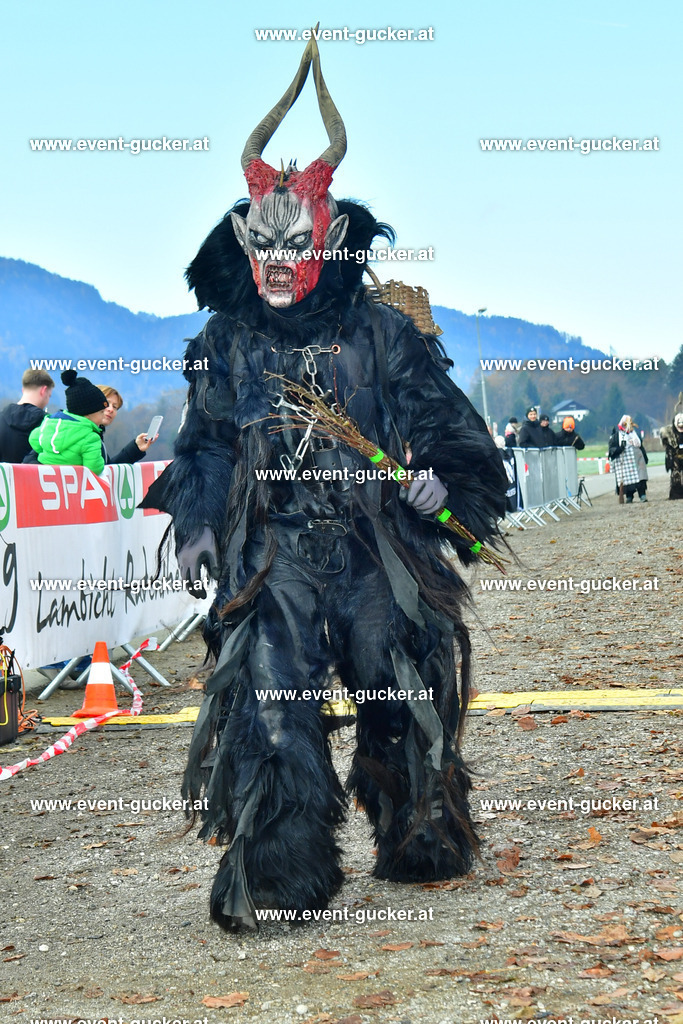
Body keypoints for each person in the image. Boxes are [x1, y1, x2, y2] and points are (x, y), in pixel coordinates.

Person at [142, 37, 507, 931]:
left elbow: (455, 439)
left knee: (400, 689)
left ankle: (419, 830)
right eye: (256, 242)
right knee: (270, 706)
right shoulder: (227, 342)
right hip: (276, 560)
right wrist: (196, 525)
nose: (271, 260)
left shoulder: (386, 334)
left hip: (377, 548)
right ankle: (281, 868)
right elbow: (208, 447)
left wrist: (438, 491)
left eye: (291, 242)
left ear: (328, 238)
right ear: (241, 240)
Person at [28, 370, 108, 474]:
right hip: (72, 485)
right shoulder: (90, 438)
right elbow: (94, 469)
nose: (103, 417)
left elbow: (33, 438)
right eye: (101, 412)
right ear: (88, 413)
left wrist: (49, 453)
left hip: (45, 480)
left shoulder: (50, 424)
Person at [0, 369, 55, 463]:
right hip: (30, 477)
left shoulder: (2, 417)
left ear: (23, 390)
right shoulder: (47, 424)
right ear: (43, 390)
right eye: (49, 396)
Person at [98, 385, 157, 463]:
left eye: (115, 407)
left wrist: (136, 448)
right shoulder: (84, 434)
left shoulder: (97, 436)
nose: (111, 409)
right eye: (107, 404)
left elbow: (109, 470)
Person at [608, 415, 641, 503]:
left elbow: (638, 444)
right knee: (624, 480)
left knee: (634, 479)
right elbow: (611, 449)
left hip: (631, 460)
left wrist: (633, 441)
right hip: (621, 460)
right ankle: (627, 496)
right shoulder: (617, 435)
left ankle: (633, 495)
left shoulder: (632, 433)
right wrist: (620, 448)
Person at [661, 407, 683, 500]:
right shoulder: (669, 435)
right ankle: (676, 494)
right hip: (675, 458)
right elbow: (668, 449)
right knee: (676, 477)